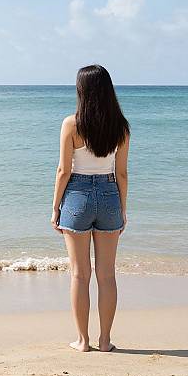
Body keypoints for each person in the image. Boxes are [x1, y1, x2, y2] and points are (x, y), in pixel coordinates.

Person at [50, 64, 130, 352]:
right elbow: (122, 173)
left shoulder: (71, 124)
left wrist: (55, 206)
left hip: (77, 197)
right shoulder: (120, 126)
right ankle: (105, 340)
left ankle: (83, 341)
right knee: (107, 275)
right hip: (109, 194)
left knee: (79, 274)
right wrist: (122, 209)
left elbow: (63, 170)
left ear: (81, 91)